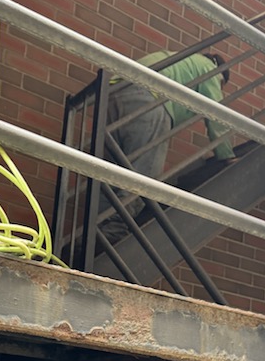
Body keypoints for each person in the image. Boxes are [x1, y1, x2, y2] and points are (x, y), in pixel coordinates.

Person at [99, 51, 236, 242]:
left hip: (115, 92)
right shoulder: (210, 69)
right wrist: (225, 156)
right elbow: (216, 115)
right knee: (144, 175)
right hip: (150, 97)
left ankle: (95, 232)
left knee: (113, 172)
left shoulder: (182, 60)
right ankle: (114, 232)